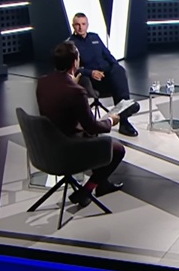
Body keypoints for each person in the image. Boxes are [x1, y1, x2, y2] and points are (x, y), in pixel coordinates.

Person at [36, 41, 126, 207]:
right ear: (74, 63)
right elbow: (91, 126)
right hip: (69, 148)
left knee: (94, 137)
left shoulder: (43, 82)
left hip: (47, 145)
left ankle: (102, 185)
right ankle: (86, 190)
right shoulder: (75, 91)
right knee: (117, 149)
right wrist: (110, 121)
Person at [68, 12, 139, 137]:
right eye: (77, 25)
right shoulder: (71, 44)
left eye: (83, 24)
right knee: (115, 80)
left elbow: (108, 55)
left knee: (118, 71)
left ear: (87, 25)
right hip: (92, 79)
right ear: (73, 26)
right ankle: (124, 116)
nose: (80, 27)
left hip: (107, 73)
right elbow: (74, 69)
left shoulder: (94, 37)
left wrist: (115, 66)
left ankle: (124, 114)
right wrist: (91, 72)